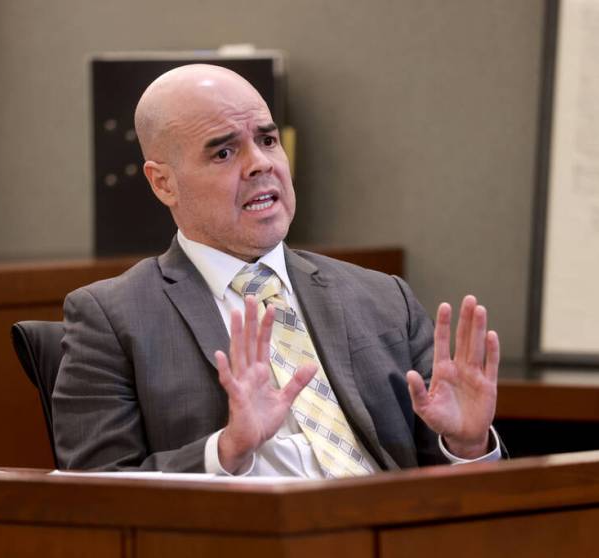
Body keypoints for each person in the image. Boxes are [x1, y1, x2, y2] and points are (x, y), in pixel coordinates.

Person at [52, 64, 502, 476]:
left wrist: (466, 444)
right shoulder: (111, 319)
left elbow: (452, 484)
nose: (261, 164)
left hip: (392, 545)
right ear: (163, 182)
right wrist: (227, 450)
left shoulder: (384, 298)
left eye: (267, 141)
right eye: (224, 153)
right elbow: (96, 492)